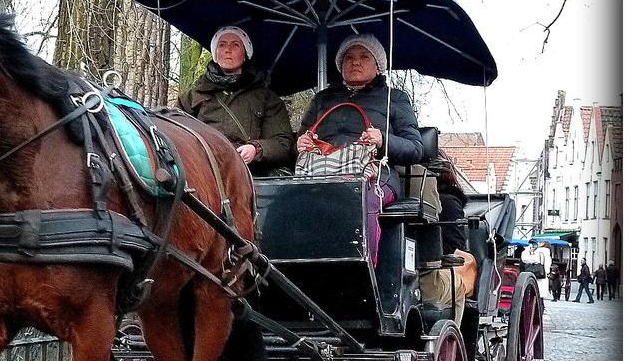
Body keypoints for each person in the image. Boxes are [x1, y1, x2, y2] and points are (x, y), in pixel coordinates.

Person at [296, 33, 423, 266]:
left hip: (376, 175)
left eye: (364, 56)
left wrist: (383, 140)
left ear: (378, 67)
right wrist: (302, 143)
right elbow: (301, 139)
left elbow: (416, 148)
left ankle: (361, 272)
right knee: (284, 202)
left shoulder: (394, 99)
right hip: (321, 173)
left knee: (361, 197)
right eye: (348, 58)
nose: (355, 62)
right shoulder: (322, 100)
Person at [178, 26, 293, 176]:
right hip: (203, 175)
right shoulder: (192, 96)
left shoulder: (267, 98)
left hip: (250, 176)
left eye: (235, 45)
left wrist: (256, 149)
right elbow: (177, 136)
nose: (228, 50)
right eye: (222, 45)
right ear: (215, 53)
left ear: (245, 54)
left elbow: (283, 143)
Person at [418, 151, 477, 327]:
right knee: (457, 287)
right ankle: (454, 341)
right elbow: (454, 246)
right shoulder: (447, 202)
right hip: (424, 277)